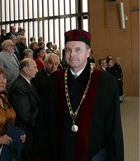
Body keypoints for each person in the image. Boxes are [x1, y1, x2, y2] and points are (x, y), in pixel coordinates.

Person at [35, 29, 124, 161]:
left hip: (93, 155)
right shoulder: (54, 80)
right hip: (59, 154)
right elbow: (43, 124)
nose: (72, 55)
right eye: (68, 50)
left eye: (78, 50)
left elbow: (113, 127)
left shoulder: (106, 82)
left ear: (88, 52)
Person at [9, 58, 40, 161]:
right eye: (35, 67)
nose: (37, 70)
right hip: (25, 131)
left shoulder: (27, 82)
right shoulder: (19, 87)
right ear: (26, 70)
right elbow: (25, 115)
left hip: (30, 130)